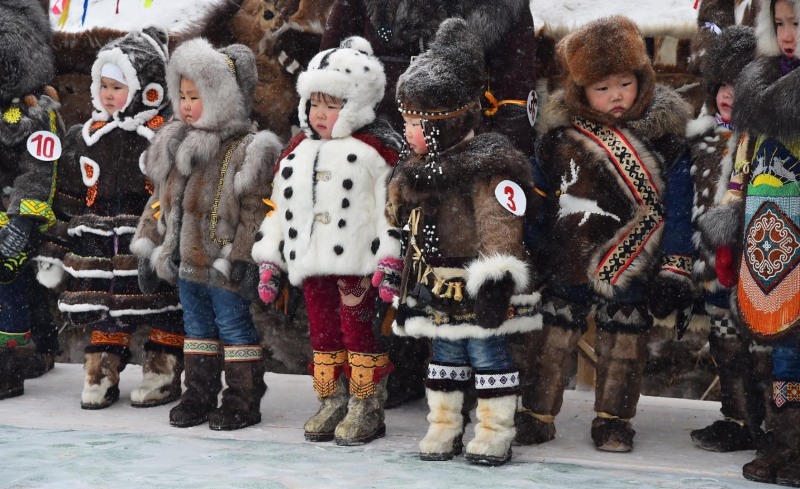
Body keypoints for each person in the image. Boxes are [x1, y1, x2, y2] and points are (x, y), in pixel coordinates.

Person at [321, 0, 539, 408]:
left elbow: (515, 85)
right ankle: (395, 365)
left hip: (470, 150)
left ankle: (481, 377)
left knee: (468, 259)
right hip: (379, 147)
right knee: (393, 261)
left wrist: (502, 154)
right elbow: (331, 65)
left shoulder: (506, 7)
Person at [516, 16, 695, 452]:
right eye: (602, 88)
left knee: (625, 344)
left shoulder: (668, 141)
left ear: (643, 80)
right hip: (568, 254)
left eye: (624, 83)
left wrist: (675, 267)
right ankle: (536, 413)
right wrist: (531, 247)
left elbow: (680, 208)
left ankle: (614, 420)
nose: (616, 96)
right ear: (580, 93)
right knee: (551, 338)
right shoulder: (557, 140)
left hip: (634, 260)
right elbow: (539, 197)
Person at [387, 18, 540, 466]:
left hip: (475, 283)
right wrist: (392, 264)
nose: (409, 131)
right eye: (405, 121)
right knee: (444, 355)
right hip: (434, 280)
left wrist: (498, 276)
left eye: (417, 122)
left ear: (448, 122)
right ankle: (444, 426)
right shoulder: (410, 169)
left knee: (487, 352)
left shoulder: (489, 165)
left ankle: (494, 430)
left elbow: (500, 222)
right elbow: (398, 219)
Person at [252, 36, 402, 446]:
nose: (320, 114)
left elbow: (390, 211)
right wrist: (271, 257)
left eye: (332, 105)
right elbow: (280, 209)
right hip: (311, 262)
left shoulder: (376, 152)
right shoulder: (297, 151)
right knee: (322, 333)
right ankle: (331, 398)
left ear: (355, 106)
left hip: (356, 263)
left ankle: (365, 402)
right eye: (314, 103)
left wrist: (391, 257)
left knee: (359, 332)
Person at [33, 27, 185, 410]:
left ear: (145, 88)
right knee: (106, 308)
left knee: (161, 305)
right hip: (97, 244)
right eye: (104, 86)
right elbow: (67, 198)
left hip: (144, 236)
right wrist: (53, 248)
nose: (109, 95)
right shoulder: (84, 137)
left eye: (119, 87)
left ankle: (162, 368)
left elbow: (175, 193)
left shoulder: (163, 135)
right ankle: (101, 370)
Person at [137, 38, 281, 431]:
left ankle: (242, 397)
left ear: (221, 98)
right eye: (180, 95)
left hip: (222, 264)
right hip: (184, 262)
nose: (184, 105)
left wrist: (244, 257)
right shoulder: (174, 142)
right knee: (196, 329)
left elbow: (257, 209)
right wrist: (148, 245)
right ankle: (198, 393)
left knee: (234, 328)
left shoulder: (245, 149)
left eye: (195, 96)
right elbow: (158, 201)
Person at [685, 25, 769, 453]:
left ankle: (765, 421)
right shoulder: (700, 139)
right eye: (722, 85)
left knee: (759, 346)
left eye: (740, 86)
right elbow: (682, 202)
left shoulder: (766, 143)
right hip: (710, 264)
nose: (728, 95)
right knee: (724, 343)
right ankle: (735, 416)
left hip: (756, 265)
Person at [728, 0, 800, 484]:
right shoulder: (759, 82)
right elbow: (745, 153)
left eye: (797, 21)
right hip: (770, 232)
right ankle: (785, 444)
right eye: (779, 24)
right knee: (783, 346)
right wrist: (732, 211)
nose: (787, 33)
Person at [0, 0, 64, 399]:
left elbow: (40, 169)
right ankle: (40, 345)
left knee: (9, 280)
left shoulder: (37, 111)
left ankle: (11, 362)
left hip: (14, 216)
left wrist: (20, 223)